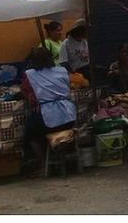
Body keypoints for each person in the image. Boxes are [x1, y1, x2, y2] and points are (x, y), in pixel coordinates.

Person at [21, 46, 77, 174]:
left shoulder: (30, 74)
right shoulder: (62, 70)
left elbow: (26, 91)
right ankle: (58, 154)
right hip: (69, 116)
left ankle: (42, 163)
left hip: (49, 117)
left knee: (30, 134)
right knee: (37, 125)